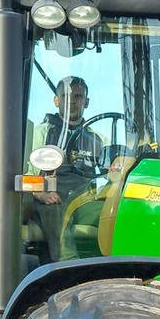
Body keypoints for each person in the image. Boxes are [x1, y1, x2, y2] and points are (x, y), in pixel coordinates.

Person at [28, 76, 106, 262]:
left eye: (78, 96)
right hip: (50, 198)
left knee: (113, 213)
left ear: (86, 102)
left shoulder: (99, 139)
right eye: (66, 96)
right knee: (55, 212)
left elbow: (113, 171)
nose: (72, 101)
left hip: (84, 199)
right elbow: (25, 173)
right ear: (57, 101)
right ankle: (70, 270)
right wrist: (41, 194)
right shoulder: (41, 133)